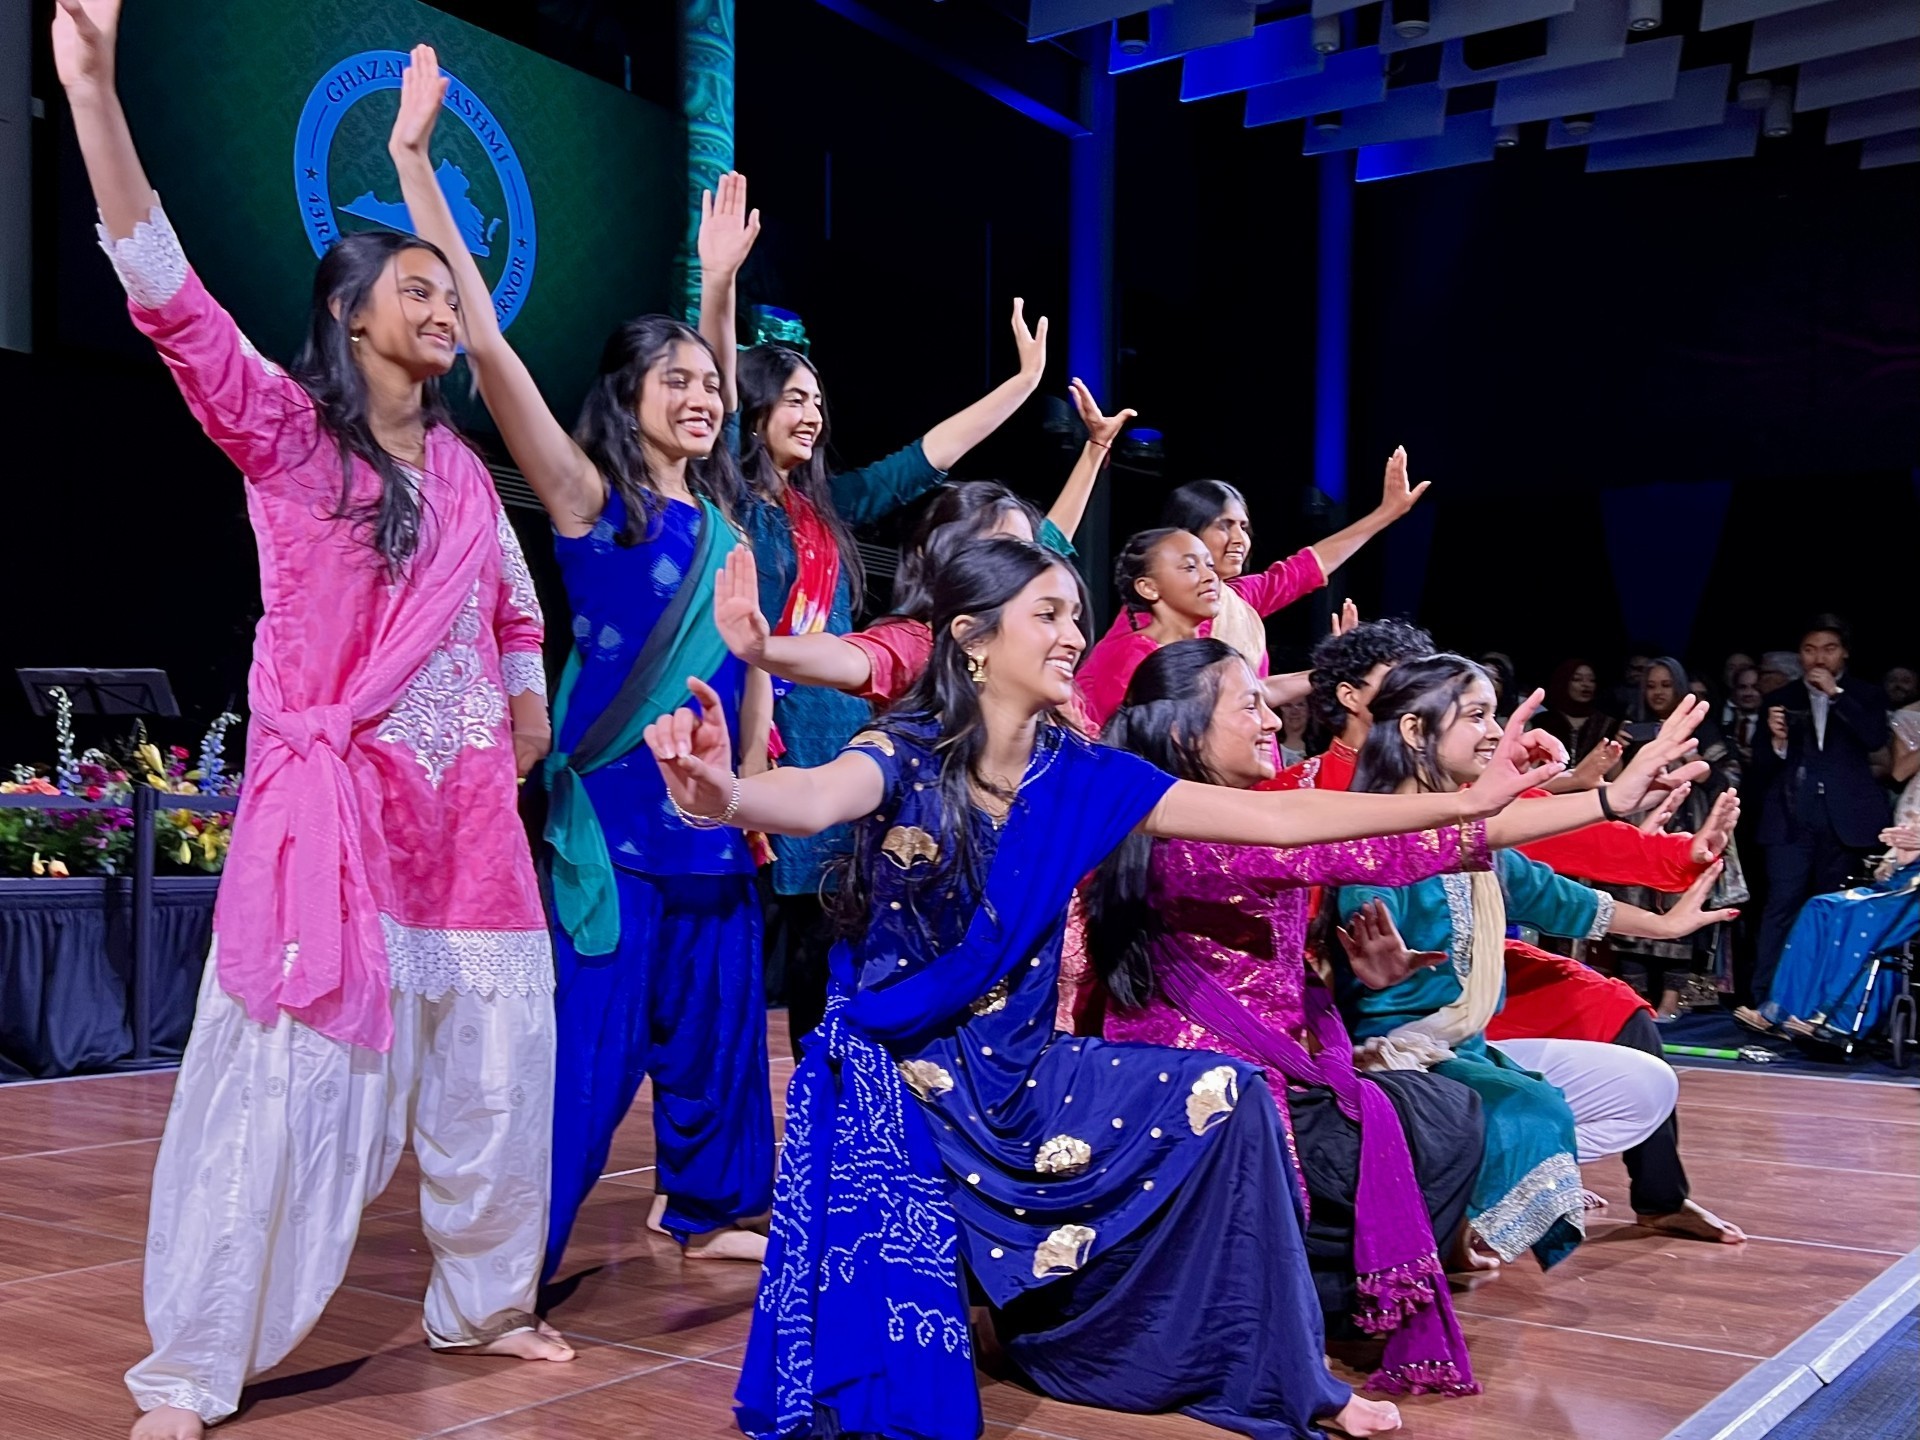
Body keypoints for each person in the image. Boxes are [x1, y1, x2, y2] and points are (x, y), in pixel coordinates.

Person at [643, 536, 1576, 1440]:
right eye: (1047, 614)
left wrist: (1464, 801)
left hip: (1019, 1074)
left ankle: (1278, 1373)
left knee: (1235, 1099)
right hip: (906, 1084)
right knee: (904, 1410)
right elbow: (808, 798)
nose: (1072, 635)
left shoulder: (1081, 775)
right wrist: (719, 795)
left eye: (1076, 616)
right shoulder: (905, 753)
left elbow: (1285, 818)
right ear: (972, 638)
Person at [53, 14, 569, 1436]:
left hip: (472, 833)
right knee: (285, 1092)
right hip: (335, 831)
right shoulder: (286, 436)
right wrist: (95, 92)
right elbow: (168, 299)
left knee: (497, 1071)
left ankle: (487, 1307)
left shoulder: (467, 477)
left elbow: (516, 607)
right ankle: (198, 1361)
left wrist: (524, 708)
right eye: (417, 285)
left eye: (450, 290)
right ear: (349, 315)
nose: (443, 305)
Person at [385, 50, 772, 1275]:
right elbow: (491, 347)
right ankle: (510, 1267)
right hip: (612, 824)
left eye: (714, 387)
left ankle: (713, 1206)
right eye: (681, 382)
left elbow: (744, 654)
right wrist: (413, 163)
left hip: (714, 818)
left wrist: (717, 293)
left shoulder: (722, 514)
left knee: (718, 1029)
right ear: (628, 395)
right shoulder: (591, 502)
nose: (705, 397)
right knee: (588, 1048)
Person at [1331, 656, 1736, 1270]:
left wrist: (1666, 922)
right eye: (1478, 716)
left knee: (1644, 1081)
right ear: (1413, 729)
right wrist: (1375, 977)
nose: (1496, 733)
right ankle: (1457, 1213)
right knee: (1531, 1109)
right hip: (1392, 1054)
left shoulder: (1476, 828)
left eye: (1497, 715)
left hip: (1470, 1042)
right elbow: (1361, 921)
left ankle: (1481, 1191)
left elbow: (1559, 898)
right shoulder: (1369, 828)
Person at [724, 301, 1053, 1050]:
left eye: (817, 401)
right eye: (794, 397)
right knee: (743, 933)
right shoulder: (726, 503)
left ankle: (826, 1076)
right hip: (749, 719)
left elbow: (925, 457)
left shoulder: (827, 505)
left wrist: (1023, 385)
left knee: (826, 927)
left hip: (834, 725)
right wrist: (718, 282)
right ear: (752, 406)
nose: (810, 413)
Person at [710, 378, 1134, 710]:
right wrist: (764, 649)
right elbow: (850, 657)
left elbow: (1050, 546)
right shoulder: (922, 643)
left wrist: (1096, 450)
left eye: (1024, 552)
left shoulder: (1030, 642)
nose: (1021, 565)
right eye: (1002, 550)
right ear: (949, 561)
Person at [1156, 447, 1427, 696]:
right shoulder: (1156, 612)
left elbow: (1306, 567)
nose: (1240, 539)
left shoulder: (1240, 597)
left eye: (1243, 527)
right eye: (1224, 526)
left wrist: (1386, 514)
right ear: (1187, 534)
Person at [1748, 616, 1892, 1002]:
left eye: (1828, 649)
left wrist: (1836, 694)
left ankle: (1823, 1001)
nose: (1818, 657)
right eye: (1810, 650)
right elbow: (1760, 764)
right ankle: (1767, 997)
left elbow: (1875, 739)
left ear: (1844, 653)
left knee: (1833, 910)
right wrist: (1777, 742)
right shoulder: (1782, 698)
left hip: (1846, 820)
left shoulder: (1867, 695)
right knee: (1782, 906)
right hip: (1792, 820)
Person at [1611, 657, 1743, 1019]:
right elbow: (1611, 786)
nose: (1657, 692)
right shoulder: (1631, 726)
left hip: (1687, 825)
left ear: (1680, 687)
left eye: (1666, 685)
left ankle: (1671, 997)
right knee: (1632, 905)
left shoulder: (1703, 728)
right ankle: (1632, 997)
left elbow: (1732, 778)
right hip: (1637, 829)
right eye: (1651, 685)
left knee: (1678, 906)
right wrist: (1617, 752)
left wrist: (1697, 762)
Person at [1738, 825, 1918, 1042]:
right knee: (1820, 907)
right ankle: (1783, 1010)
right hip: (1902, 883)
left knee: (1864, 915)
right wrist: (1899, 857)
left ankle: (1838, 1019)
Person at [1074, 527, 1223, 729]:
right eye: (1190, 567)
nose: (1210, 576)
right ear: (1149, 588)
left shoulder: (1208, 647)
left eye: (1210, 565)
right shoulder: (1134, 658)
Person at [1535, 659, 1619, 764]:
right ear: (1563, 683)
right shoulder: (1543, 721)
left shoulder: (1607, 724)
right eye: (1577, 679)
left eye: (1592, 680)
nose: (1586, 684)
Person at [1727, 663, 1765, 768]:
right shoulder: (1722, 722)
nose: (1748, 693)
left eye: (1755, 687)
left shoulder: (1773, 725)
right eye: (1742, 687)